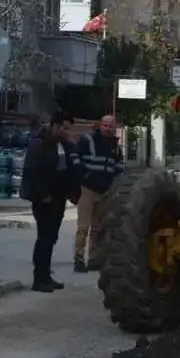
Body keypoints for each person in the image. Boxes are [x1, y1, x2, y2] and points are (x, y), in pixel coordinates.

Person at [22, 110, 74, 293]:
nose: (67, 132)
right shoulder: (40, 143)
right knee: (44, 238)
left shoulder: (63, 145)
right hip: (44, 199)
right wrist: (43, 194)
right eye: (65, 128)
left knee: (51, 237)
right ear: (55, 126)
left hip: (59, 198)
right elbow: (33, 171)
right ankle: (39, 278)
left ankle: (46, 276)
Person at [73, 114, 124, 273]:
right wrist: (83, 174)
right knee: (83, 227)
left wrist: (116, 183)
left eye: (111, 126)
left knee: (97, 228)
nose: (108, 129)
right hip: (87, 189)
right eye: (106, 125)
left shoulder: (115, 146)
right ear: (100, 125)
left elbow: (119, 166)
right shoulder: (87, 140)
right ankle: (79, 258)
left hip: (104, 192)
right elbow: (74, 157)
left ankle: (93, 258)